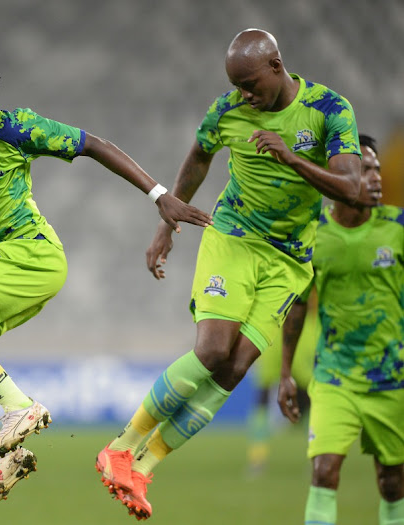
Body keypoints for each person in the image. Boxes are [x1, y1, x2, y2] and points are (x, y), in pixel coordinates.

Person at [0, 43, 212, 511]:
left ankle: (19, 406)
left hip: (31, 254)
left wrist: (158, 194)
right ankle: (0, 455)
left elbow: (94, 145)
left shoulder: (13, 127)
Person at [95, 28, 370, 521]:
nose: (244, 95)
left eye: (250, 84)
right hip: (235, 238)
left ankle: (143, 466)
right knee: (212, 350)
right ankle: (122, 447)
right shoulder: (228, 111)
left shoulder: (329, 110)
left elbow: (352, 188)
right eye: (236, 85)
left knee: (235, 368)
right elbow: (200, 156)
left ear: (276, 66)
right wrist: (168, 219)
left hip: (290, 259)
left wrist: (290, 157)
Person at [278, 134, 404, 525]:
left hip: (392, 376)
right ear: (340, 176)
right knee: (323, 472)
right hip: (335, 376)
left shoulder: (398, 227)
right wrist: (285, 374)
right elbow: (297, 307)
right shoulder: (314, 235)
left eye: (377, 169)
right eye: (365, 170)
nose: (376, 178)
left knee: (392, 482)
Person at [245, 288, 316, 476]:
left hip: (287, 324)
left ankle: (317, 457)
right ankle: (258, 459)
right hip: (278, 325)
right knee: (265, 398)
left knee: (306, 400)